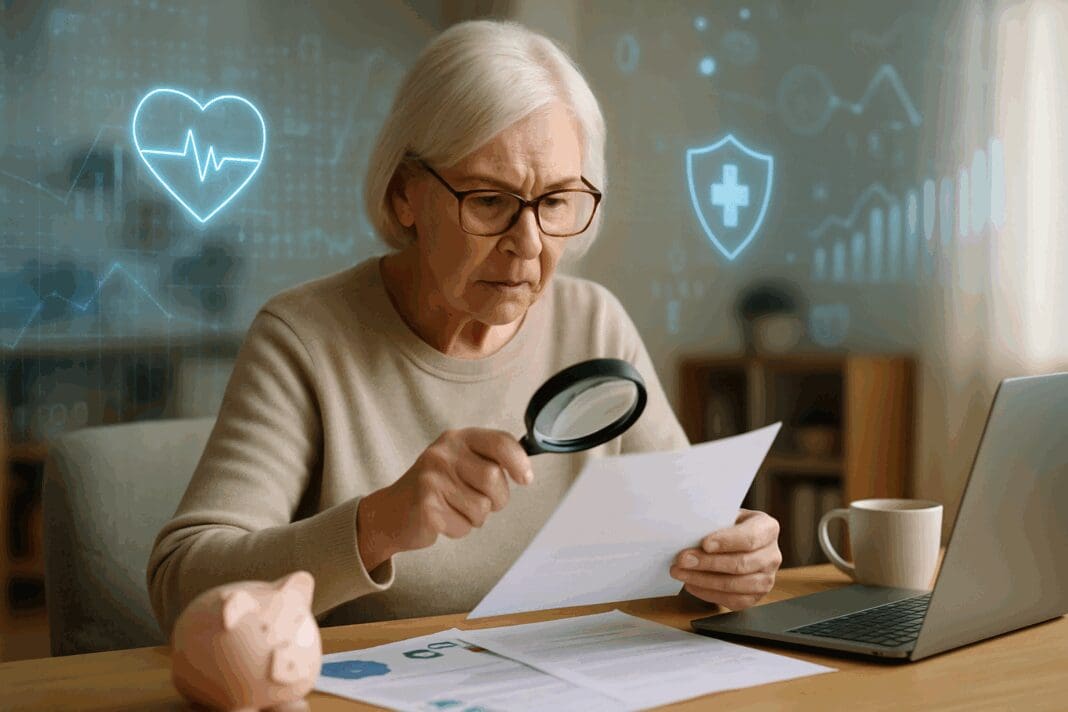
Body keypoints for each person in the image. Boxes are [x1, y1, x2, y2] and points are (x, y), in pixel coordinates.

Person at [147, 19, 782, 636]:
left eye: (557, 200)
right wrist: (377, 525)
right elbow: (182, 591)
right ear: (405, 195)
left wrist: (727, 563)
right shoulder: (304, 338)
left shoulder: (594, 323)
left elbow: (686, 540)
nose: (528, 245)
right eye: (488, 200)